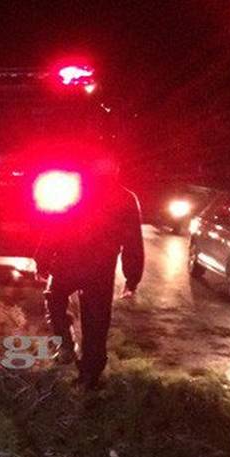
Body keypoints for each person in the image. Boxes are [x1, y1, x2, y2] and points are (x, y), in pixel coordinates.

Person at [35, 155, 144, 390]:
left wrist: (42, 259)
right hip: (95, 269)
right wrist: (131, 277)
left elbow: (54, 226)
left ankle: (69, 348)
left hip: (72, 263)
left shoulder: (80, 192)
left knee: (56, 300)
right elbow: (133, 242)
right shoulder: (124, 198)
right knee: (95, 322)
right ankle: (88, 373)